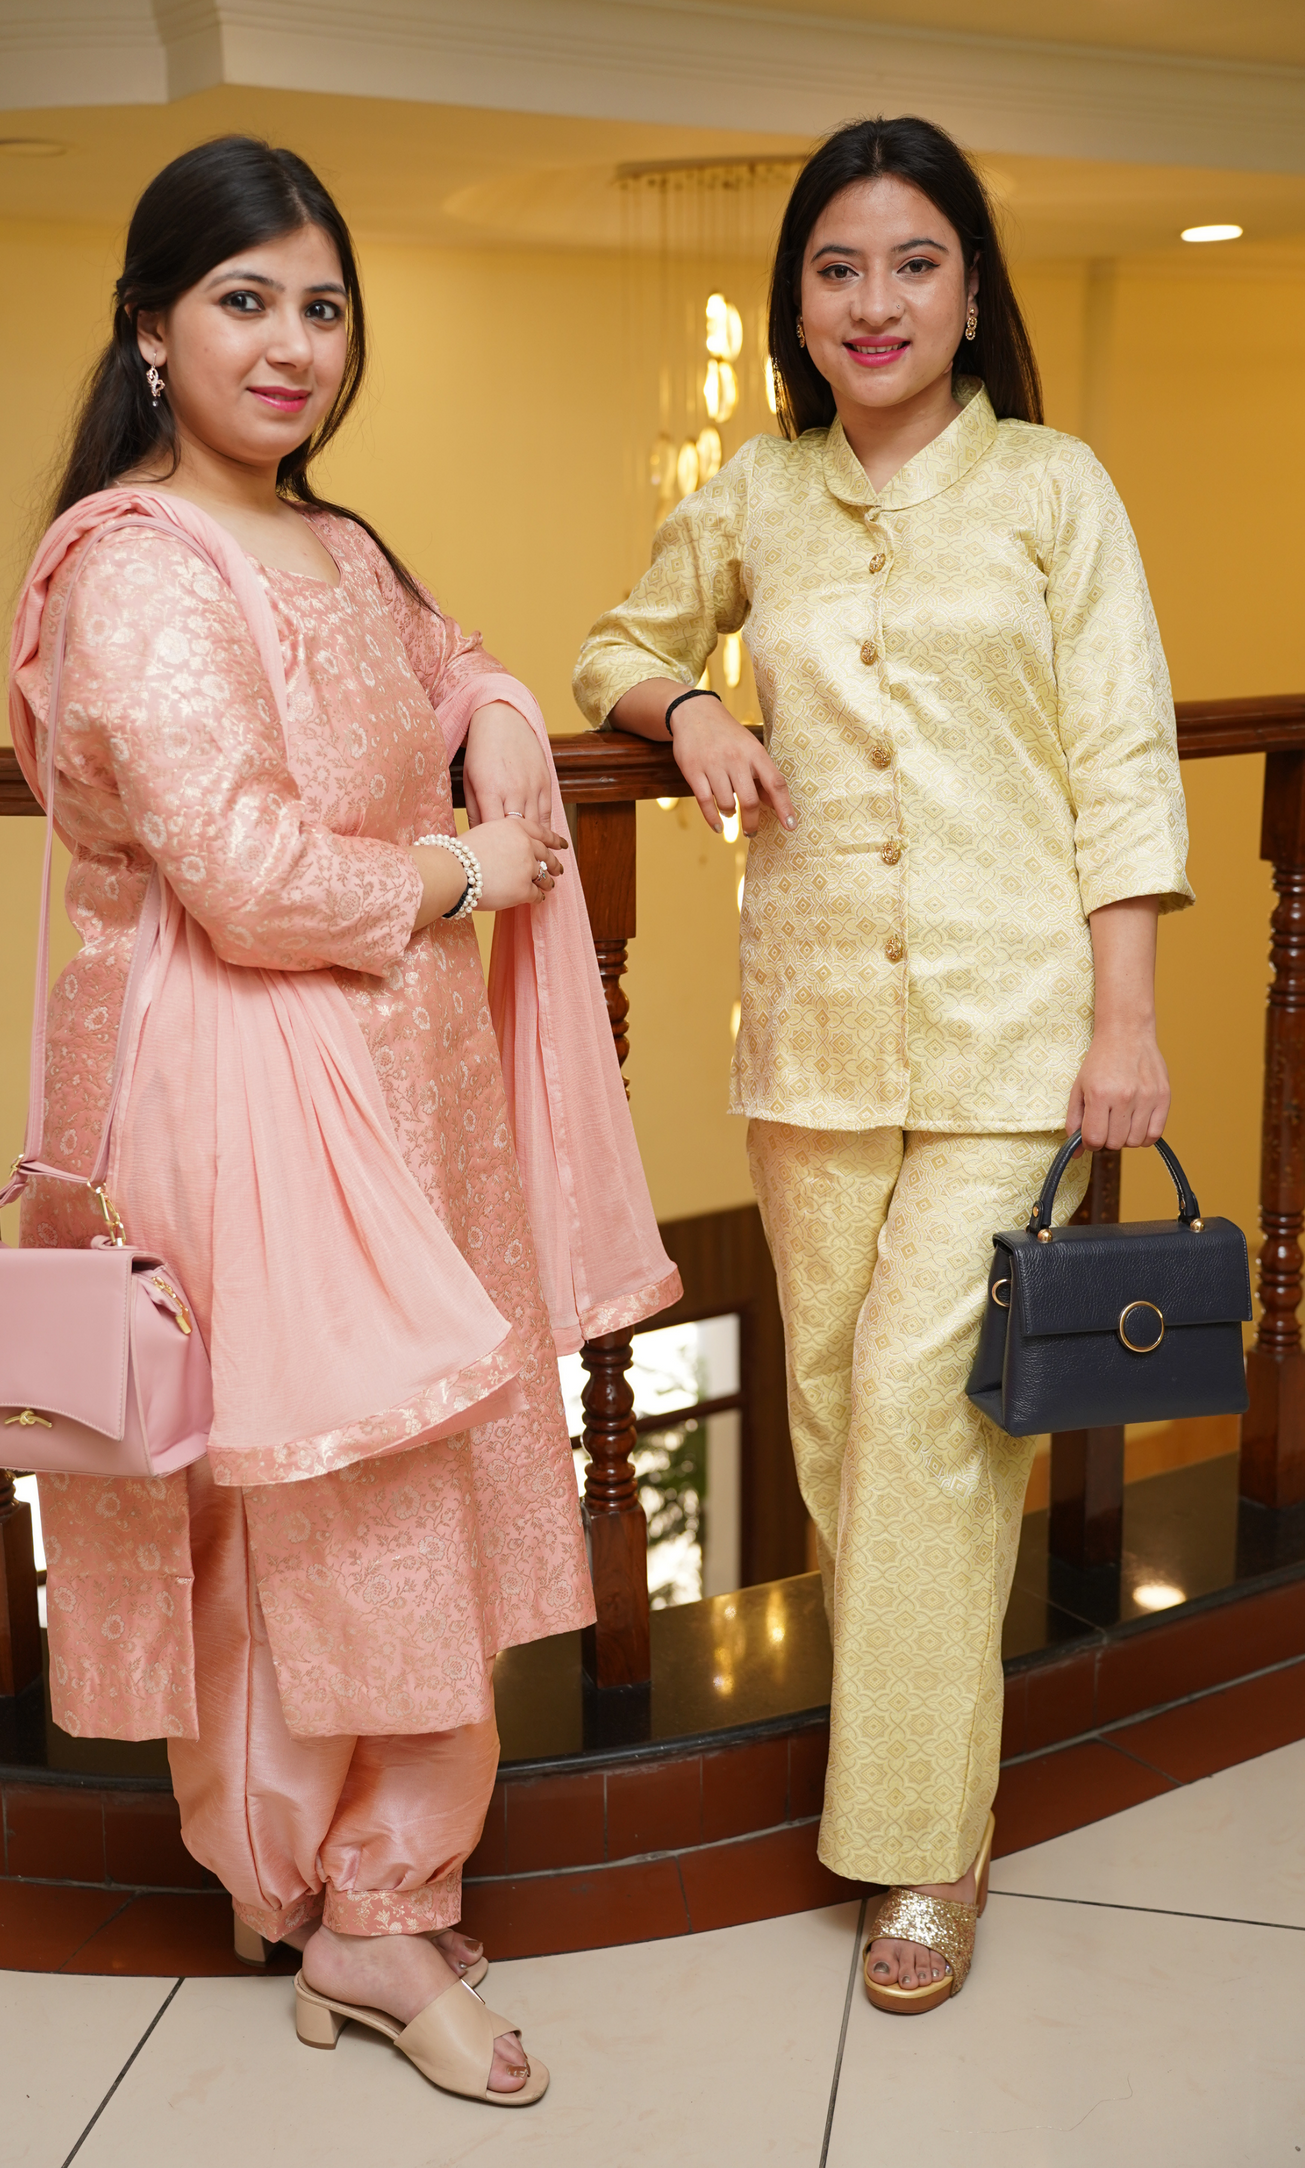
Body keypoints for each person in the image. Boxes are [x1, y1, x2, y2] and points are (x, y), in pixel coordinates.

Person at [10, 135, 678, 2102]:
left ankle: (352, 1888)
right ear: (149, 327)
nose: (292, 343)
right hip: (250, 1081)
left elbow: (444, 658)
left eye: (320, 304)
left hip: (402, 1075)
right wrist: (468, 872)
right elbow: (243, 872)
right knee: (331, 1497)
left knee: (410, 1475)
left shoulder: (338, 540)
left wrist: (494, 711)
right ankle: (355, 1904)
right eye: (244, 301)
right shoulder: (135, 567)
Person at [574, 114, 1189, 2015]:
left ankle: (923, 1848)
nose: (875, 301)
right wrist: (688, 707)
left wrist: (1128, 1019)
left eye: (913, 263)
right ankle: (923, 1767)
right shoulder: (757, 494)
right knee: (841, 1428)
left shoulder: (1057, 490)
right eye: (837, 268)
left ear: (971, 291)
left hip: (1014, 1034)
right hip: (815, 1035)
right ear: (796, 304)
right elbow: (609, 645)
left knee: (922, 1415)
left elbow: (1124, 756)